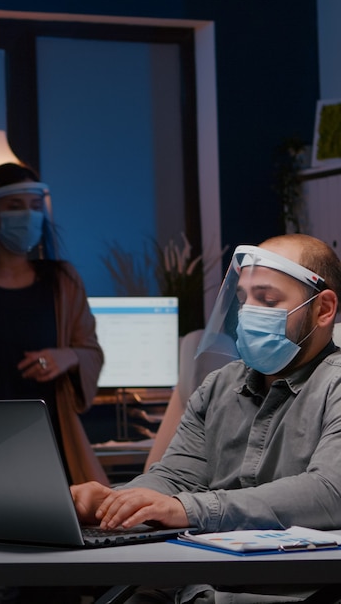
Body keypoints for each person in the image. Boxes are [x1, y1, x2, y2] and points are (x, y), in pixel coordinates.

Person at [71, 233, 341, 603]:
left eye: (268, 299)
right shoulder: (220, 385)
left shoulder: (335, 383)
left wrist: (189, 508)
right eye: (244, 299)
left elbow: (329, 492)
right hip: (195, 582)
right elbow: (177, 475)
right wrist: (115, 502)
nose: (247, 312)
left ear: (324, 309)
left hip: (289, 591)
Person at [0, 162, 108, 487]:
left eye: (35, 207)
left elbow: (90, 352)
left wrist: (67, 356)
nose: (28, 216)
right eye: (15, 207)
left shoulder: (62, 281)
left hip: (51, 443)